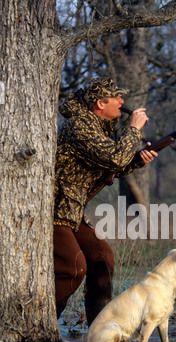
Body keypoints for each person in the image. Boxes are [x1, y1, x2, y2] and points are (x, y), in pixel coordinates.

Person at [54, 76, 157, 327]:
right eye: (117, 98)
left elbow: (111, 167)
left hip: (72, 212)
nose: (122, 102)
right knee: (73, 268)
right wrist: (133, 129)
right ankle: (41, 322)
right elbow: (114, 159)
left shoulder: (98, 127)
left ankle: (99, 330)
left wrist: (137, 160)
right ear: (100, 104)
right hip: (53, 211)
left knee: (103, 258)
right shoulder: (79, 127)